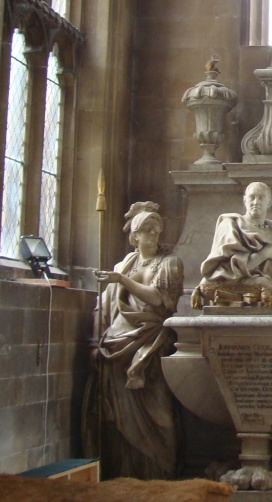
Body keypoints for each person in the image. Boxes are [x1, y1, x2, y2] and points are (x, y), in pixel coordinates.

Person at [83, 202, 184, 479]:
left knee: (160, 415)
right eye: (146, 229)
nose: (153, 234)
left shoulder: (169, 263)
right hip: (116, 345)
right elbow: (103, 307)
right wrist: (96, 342)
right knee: (119, 417)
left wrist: (121, 280)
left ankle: (159, 473)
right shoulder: (123, 265)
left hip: (151, 343)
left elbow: (159, 300)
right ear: (135, 235)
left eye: (156, 229)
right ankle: (123, 474)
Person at [197, 182, 272, 304]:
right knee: (207, 286)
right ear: (245, 200)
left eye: (261, 198)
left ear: (269, 202)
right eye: (252, 197)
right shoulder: (231, 225)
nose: (256, 202)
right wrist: (264, 254)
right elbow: (226, 272)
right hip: (258, 282)